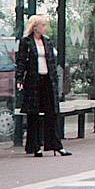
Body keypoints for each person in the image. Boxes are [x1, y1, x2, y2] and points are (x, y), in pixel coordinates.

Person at [16, 15, 71, 157]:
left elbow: (52, 61)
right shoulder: (26, 42)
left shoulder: (47, 42)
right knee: (33, 114)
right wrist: (19, 79)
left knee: (51, 112)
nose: (44, 28)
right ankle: (35, 146)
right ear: (35, 27)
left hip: (48, 80)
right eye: (42, 25)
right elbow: (21, 62)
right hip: (34, 81)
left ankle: (55, 144)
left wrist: (55, 80)